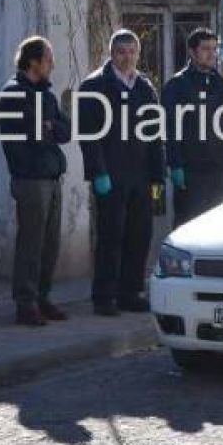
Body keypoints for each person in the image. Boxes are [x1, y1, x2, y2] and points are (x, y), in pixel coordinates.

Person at [77, 30, 165, 316]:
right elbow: (88, 134)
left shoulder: (144, 88)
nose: (127, 58)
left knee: (139, 237)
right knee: (111, 237)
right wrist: (97, 172)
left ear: (138, 54)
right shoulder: (95, 86)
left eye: (131, 52)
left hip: (140, 175)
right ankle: (104, 296)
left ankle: (131, 292)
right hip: (111, 174)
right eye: (121, 52)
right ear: (112, 54)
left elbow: (154, 134)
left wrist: (157, 176)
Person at [0, 37, 71, 326]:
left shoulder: (47, 95)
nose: (52, 64)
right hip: (30, 178)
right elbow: (32, 134)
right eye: (48, 59)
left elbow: (65, 131)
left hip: (51, 177)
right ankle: (25, 302)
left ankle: (43, 296)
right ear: (33, 61)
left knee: (50, 245)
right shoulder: (13, 94)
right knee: (31, 243)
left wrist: (49, 126)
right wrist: (48, 128)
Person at [161, 28, 223, 227]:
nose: (211, 54)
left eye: (214, 49)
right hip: (191, 171)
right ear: (192, 52)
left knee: (216, 228)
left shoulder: (220, 84)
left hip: (217, 172)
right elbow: (170, 129)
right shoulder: (177, 85)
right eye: (205, 49)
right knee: (188, 225)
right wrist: (175, 165)